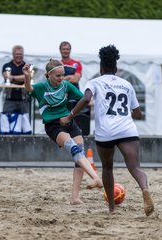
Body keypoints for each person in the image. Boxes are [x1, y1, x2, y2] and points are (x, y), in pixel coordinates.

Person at [60, 45, 154, 216]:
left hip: (106, 132)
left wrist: (69, 116)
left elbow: (86, 98)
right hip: (127, 130)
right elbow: (138, 113)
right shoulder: (127, 84)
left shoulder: (95, 82)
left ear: (101, 67)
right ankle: (145, 189)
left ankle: (111, 207)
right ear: (116, 68)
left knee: (108, 168)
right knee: (135, 168)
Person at [22, 59, 102, 205]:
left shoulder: (66, 85)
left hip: (69, 121)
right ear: (48, 75)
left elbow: (85, 99)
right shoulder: (41, 87)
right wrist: (27, 76)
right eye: (58, 76)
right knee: (75, 149)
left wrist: (100, 102)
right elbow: (28, 89)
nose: (61, 78)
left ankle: (75, 197)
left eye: (63, 75)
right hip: (54, 125)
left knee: (80, 155)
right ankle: (96, 177)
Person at [2, 45, 30, 114]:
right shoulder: (6, 65)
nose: (18, 56)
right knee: (7, 121)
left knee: (24, 123)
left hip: (24, 100)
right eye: (17, 54)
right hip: (9, 100)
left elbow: (28, 77)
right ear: (13, 54)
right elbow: (7, 77)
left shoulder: (27, 66)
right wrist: (22, 78)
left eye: (20, 54)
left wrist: (13, 78)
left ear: (23, 55)